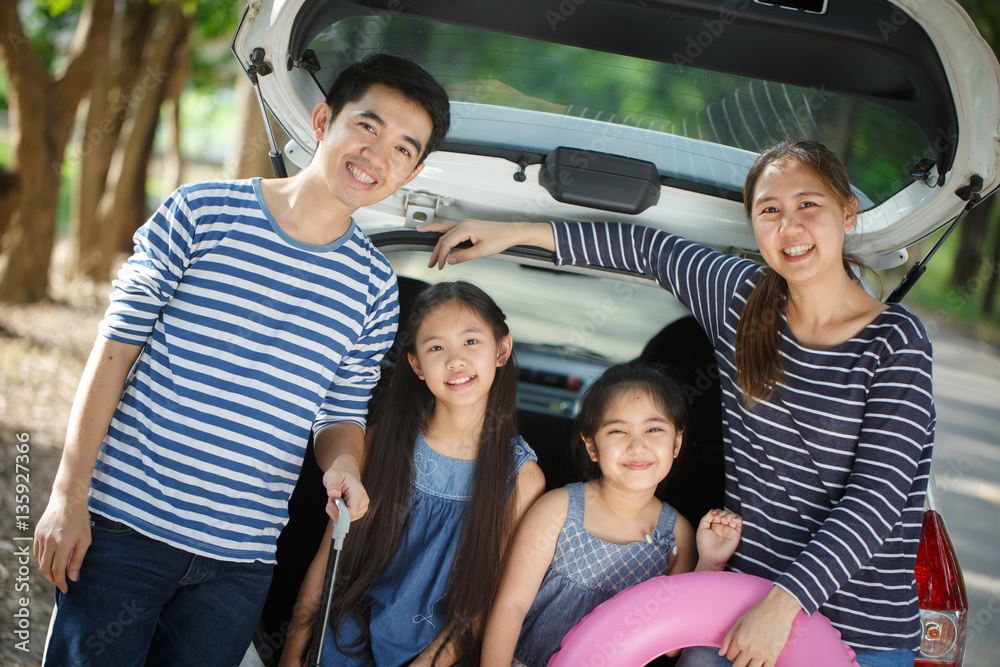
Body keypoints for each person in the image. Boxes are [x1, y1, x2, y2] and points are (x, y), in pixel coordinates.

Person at [421, 140, 934, 667]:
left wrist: (787, 604)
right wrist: (516, 233)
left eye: (809, 205)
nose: (790, 227)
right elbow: (648, 251)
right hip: (735, 608)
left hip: (857, 630)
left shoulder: (895, 340)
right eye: (770, 211)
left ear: (847, 211)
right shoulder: (741, 301)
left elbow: (877, 498)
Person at [33, 54, 451, 666]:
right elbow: (114, 350)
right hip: (124, 528)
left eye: (403, 149)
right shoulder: (199, 211)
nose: (377, 156)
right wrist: (68, 495)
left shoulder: (374, 286)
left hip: (239, 564)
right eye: (367, 127)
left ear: (411, 171)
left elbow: (339, 414)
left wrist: (344, 468)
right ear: (322, 119)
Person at [279, 281, 546, 667]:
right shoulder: (381, 444)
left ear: (502, 350)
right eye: (436, 347)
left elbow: (484, 605)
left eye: (471, 342)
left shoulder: (521, 479)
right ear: (416, 364)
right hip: (343, 645)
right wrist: (292, 653)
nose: (455, 360)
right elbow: (330, 560)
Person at [481, 363, 743, 667]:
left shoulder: (677, 534)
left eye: (654, 429)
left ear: (676, 443)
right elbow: (511, 605)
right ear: (592, 446)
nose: (637, 445)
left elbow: (673, 645)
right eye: (618, 430)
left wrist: (711, 562)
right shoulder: (558, 509)